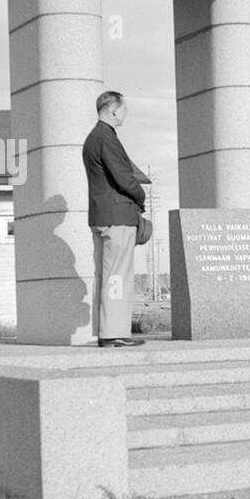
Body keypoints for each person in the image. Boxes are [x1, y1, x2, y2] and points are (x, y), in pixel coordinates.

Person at [83, 91, 149, 348]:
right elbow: (123, 177)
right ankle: (115, 334)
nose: (125, 113)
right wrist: (141, 195)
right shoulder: (107, 138)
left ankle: (105, 332)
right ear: (113, 109)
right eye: (124, 109)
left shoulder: (91, 139)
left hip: (100, 215)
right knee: (118, 276)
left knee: (106, 275)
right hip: (117, 216)